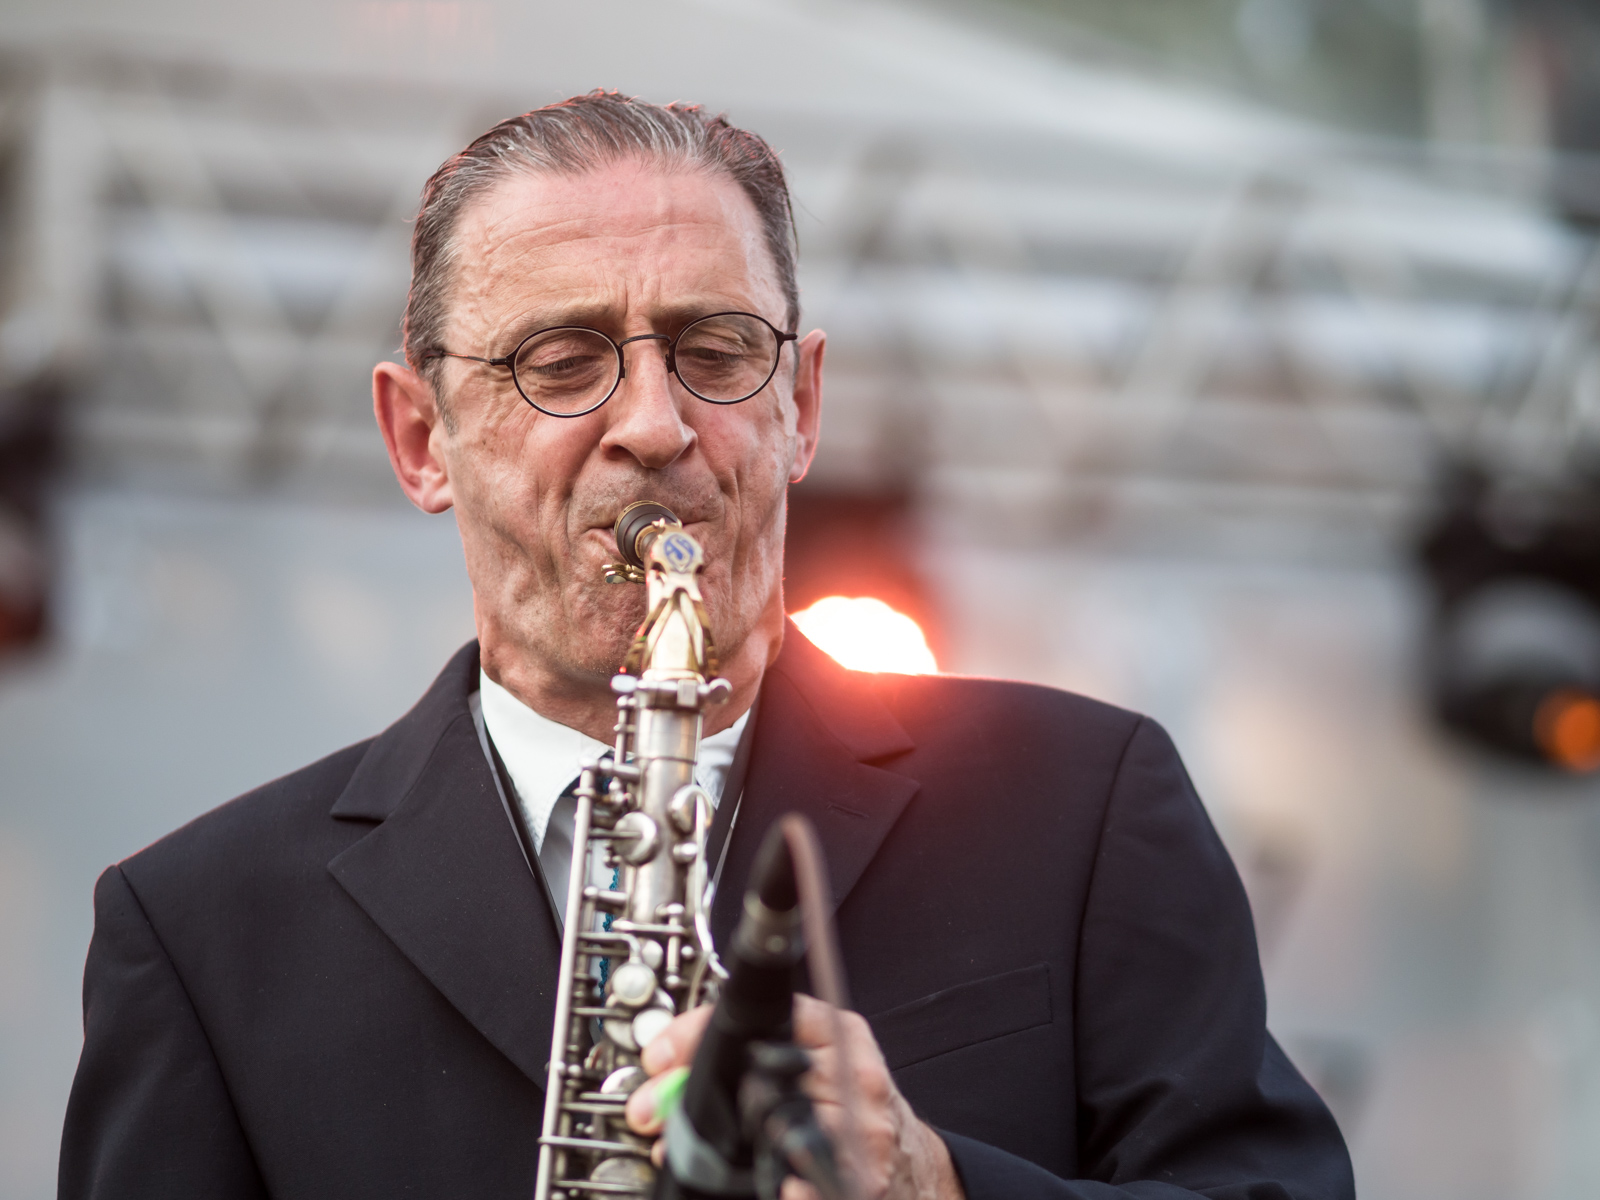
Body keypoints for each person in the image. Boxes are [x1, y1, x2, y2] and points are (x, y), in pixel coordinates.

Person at [58, 92, 1354, 1200]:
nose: (654, 426)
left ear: (802, 405)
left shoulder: (1081, 802)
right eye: (562, 362)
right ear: (419, 440)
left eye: (716, 351)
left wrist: (936, 1182)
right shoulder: (200, 932)